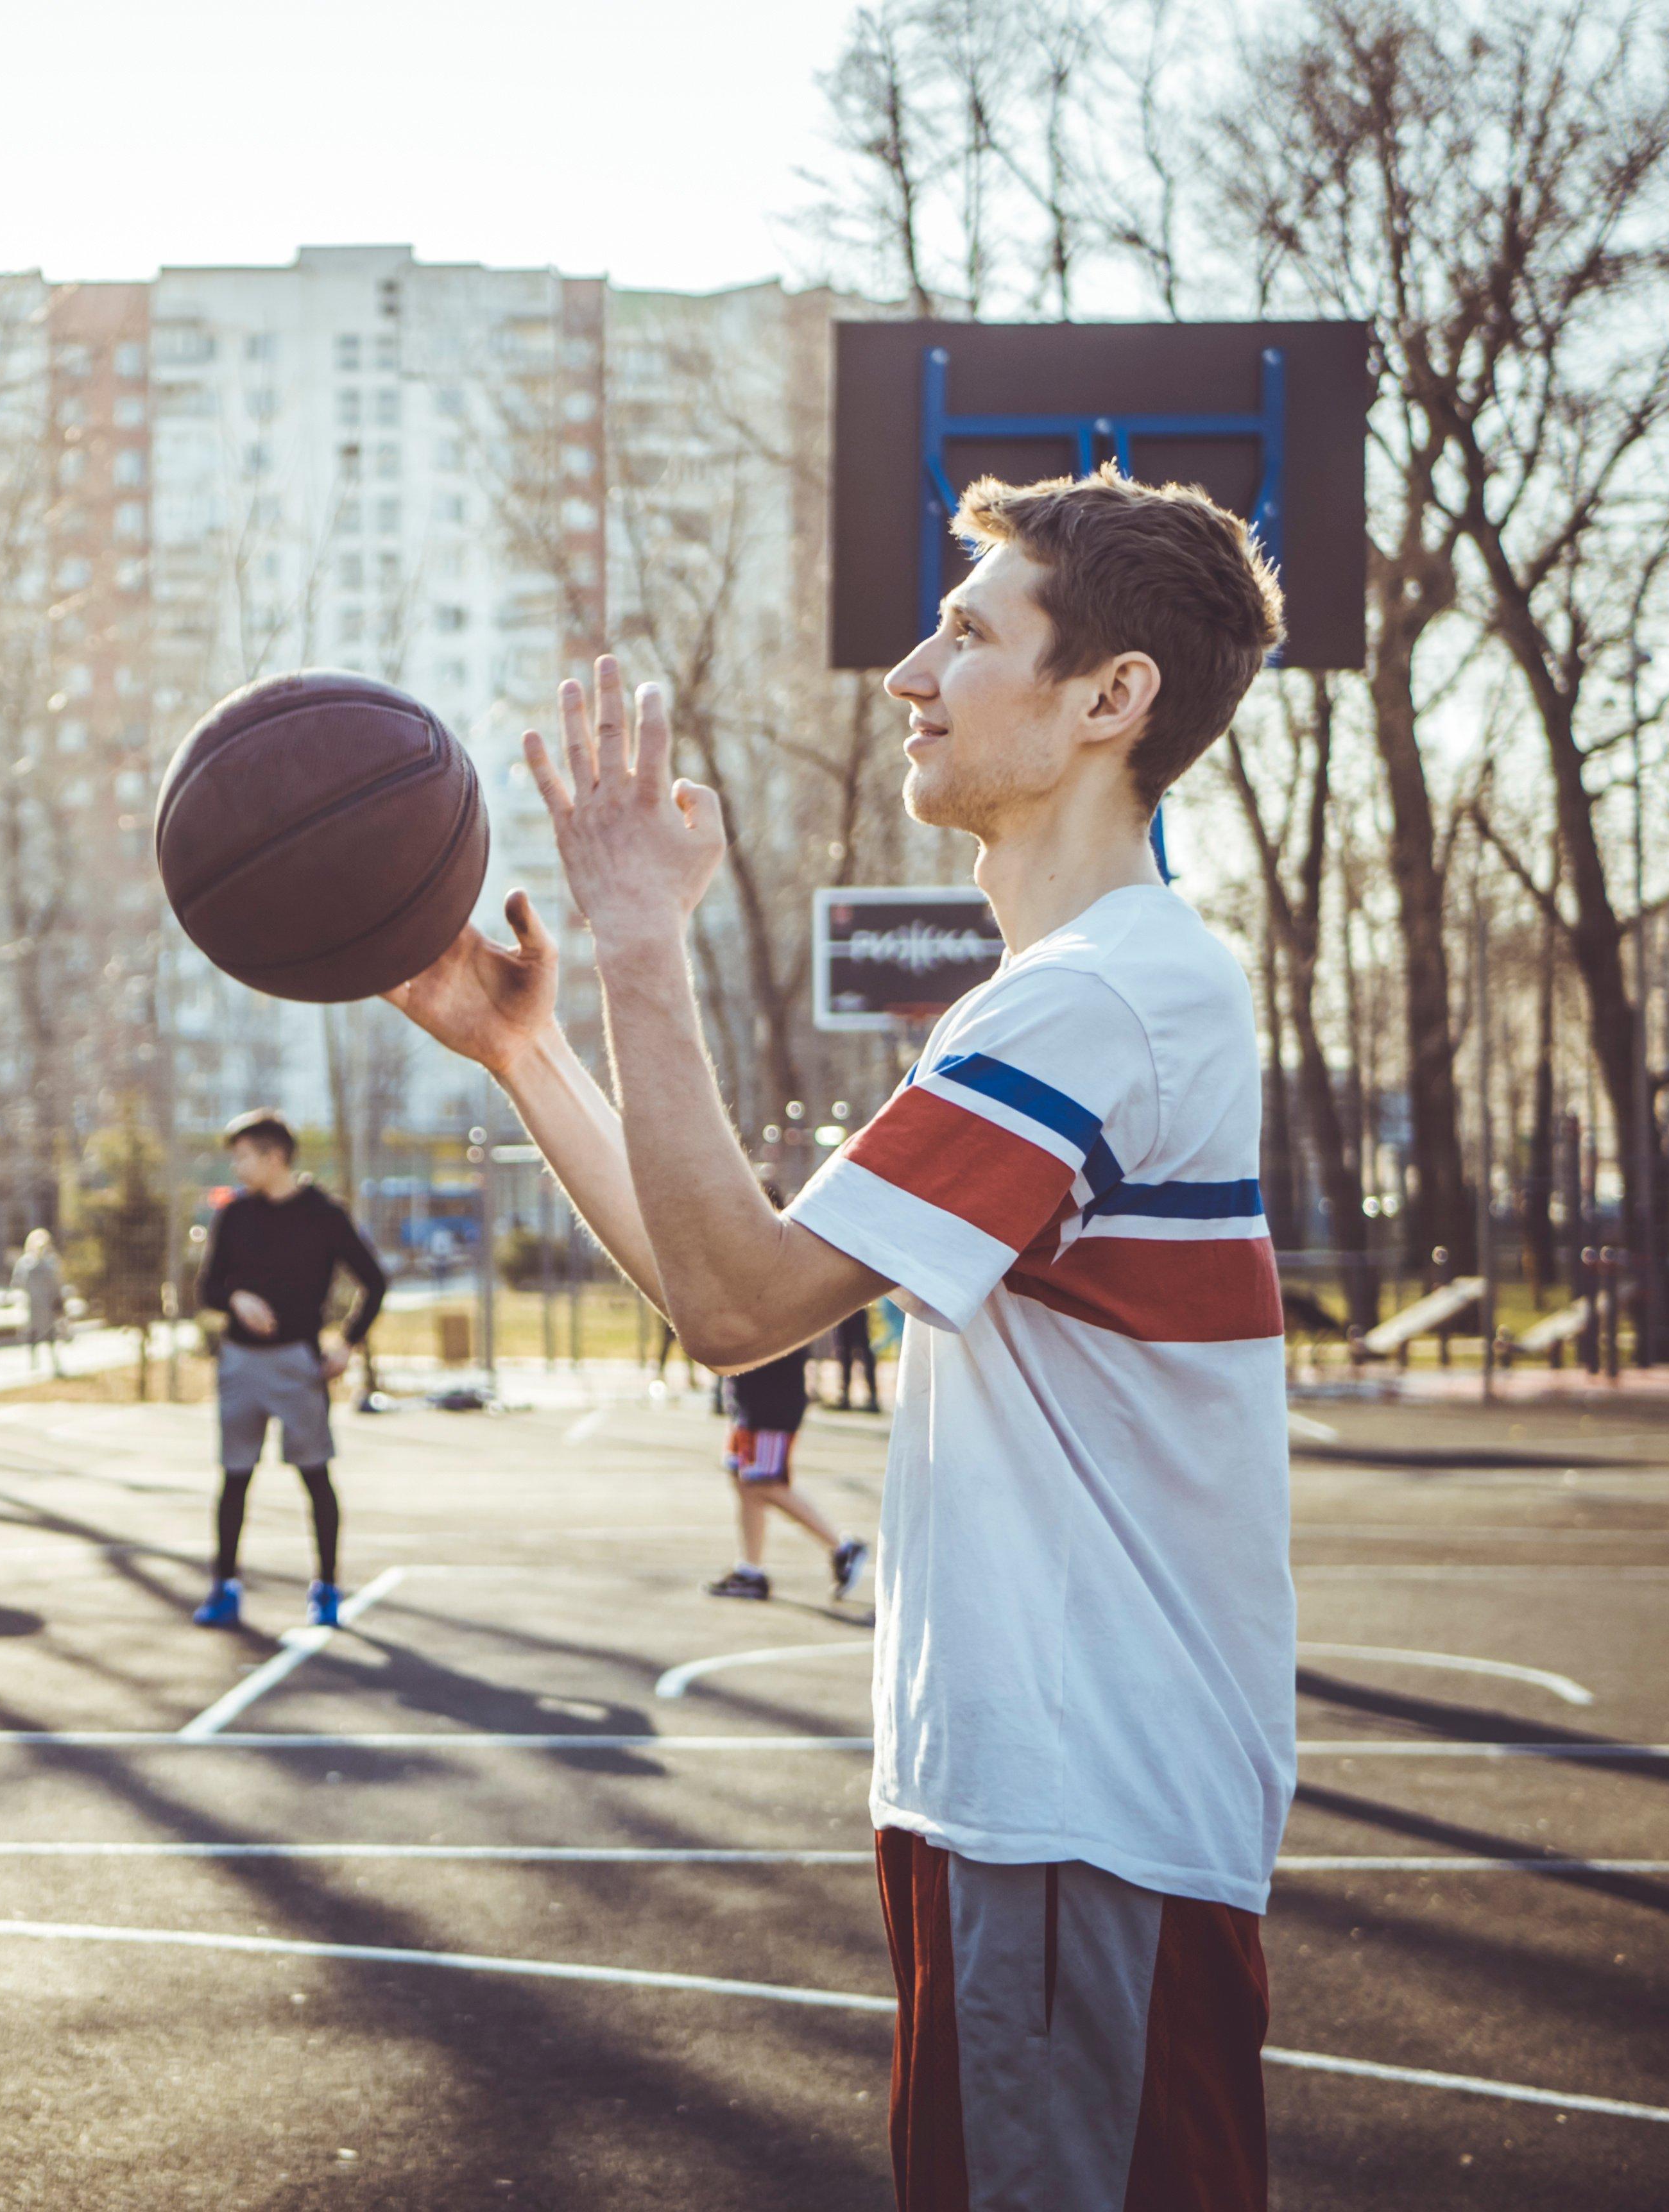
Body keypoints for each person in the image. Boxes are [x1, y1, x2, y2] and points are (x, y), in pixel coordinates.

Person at [388, 468, 1293, 2206]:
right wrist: (531, 1053)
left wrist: (642, 934)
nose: (909, 671)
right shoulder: (1082, 995)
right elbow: (742, 1281)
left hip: (1071, 1822)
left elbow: (741, 1303)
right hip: (1051, 1817)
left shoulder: (1094, 1001)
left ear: (1113, 701)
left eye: (969, 632)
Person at [192, 1110, 387, 1629]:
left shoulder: (323, 1214)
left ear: (274, 1157)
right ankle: (224, 1586)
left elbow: (375, 1281)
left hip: (298, 1365)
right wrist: (237, 1299)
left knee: (314, 1475)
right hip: (240, 1364)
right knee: (235, 1478)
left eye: (244, 1156)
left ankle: (325, 1586)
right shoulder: (234, 1214)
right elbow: (206, 1288)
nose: (237, 1166)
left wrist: (346, 1342)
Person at [703, 1187, 869, 1603]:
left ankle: (842, 1546)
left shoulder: (775, 1267)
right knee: (745, 1481)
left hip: (771, 1399)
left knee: (763, 1482)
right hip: (751, 1397)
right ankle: (751, 1571)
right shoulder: (751, 1264)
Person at [11, 1227, 66, 1377]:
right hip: (33, 1305)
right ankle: (33, 1363)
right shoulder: (26, 1262)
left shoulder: (52, 1261)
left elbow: (57, 1283)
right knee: (32, 1334)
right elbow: (18, 1282)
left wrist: (59, 1302)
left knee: (51, 1335)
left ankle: (55, 1363)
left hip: (48, 1305)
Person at [830, 1302, 882, 1413]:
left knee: (861, 1353)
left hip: (856, 1309)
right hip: (846, 1311)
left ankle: (872, 1397)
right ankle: (846, 1396)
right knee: (846, 1354)